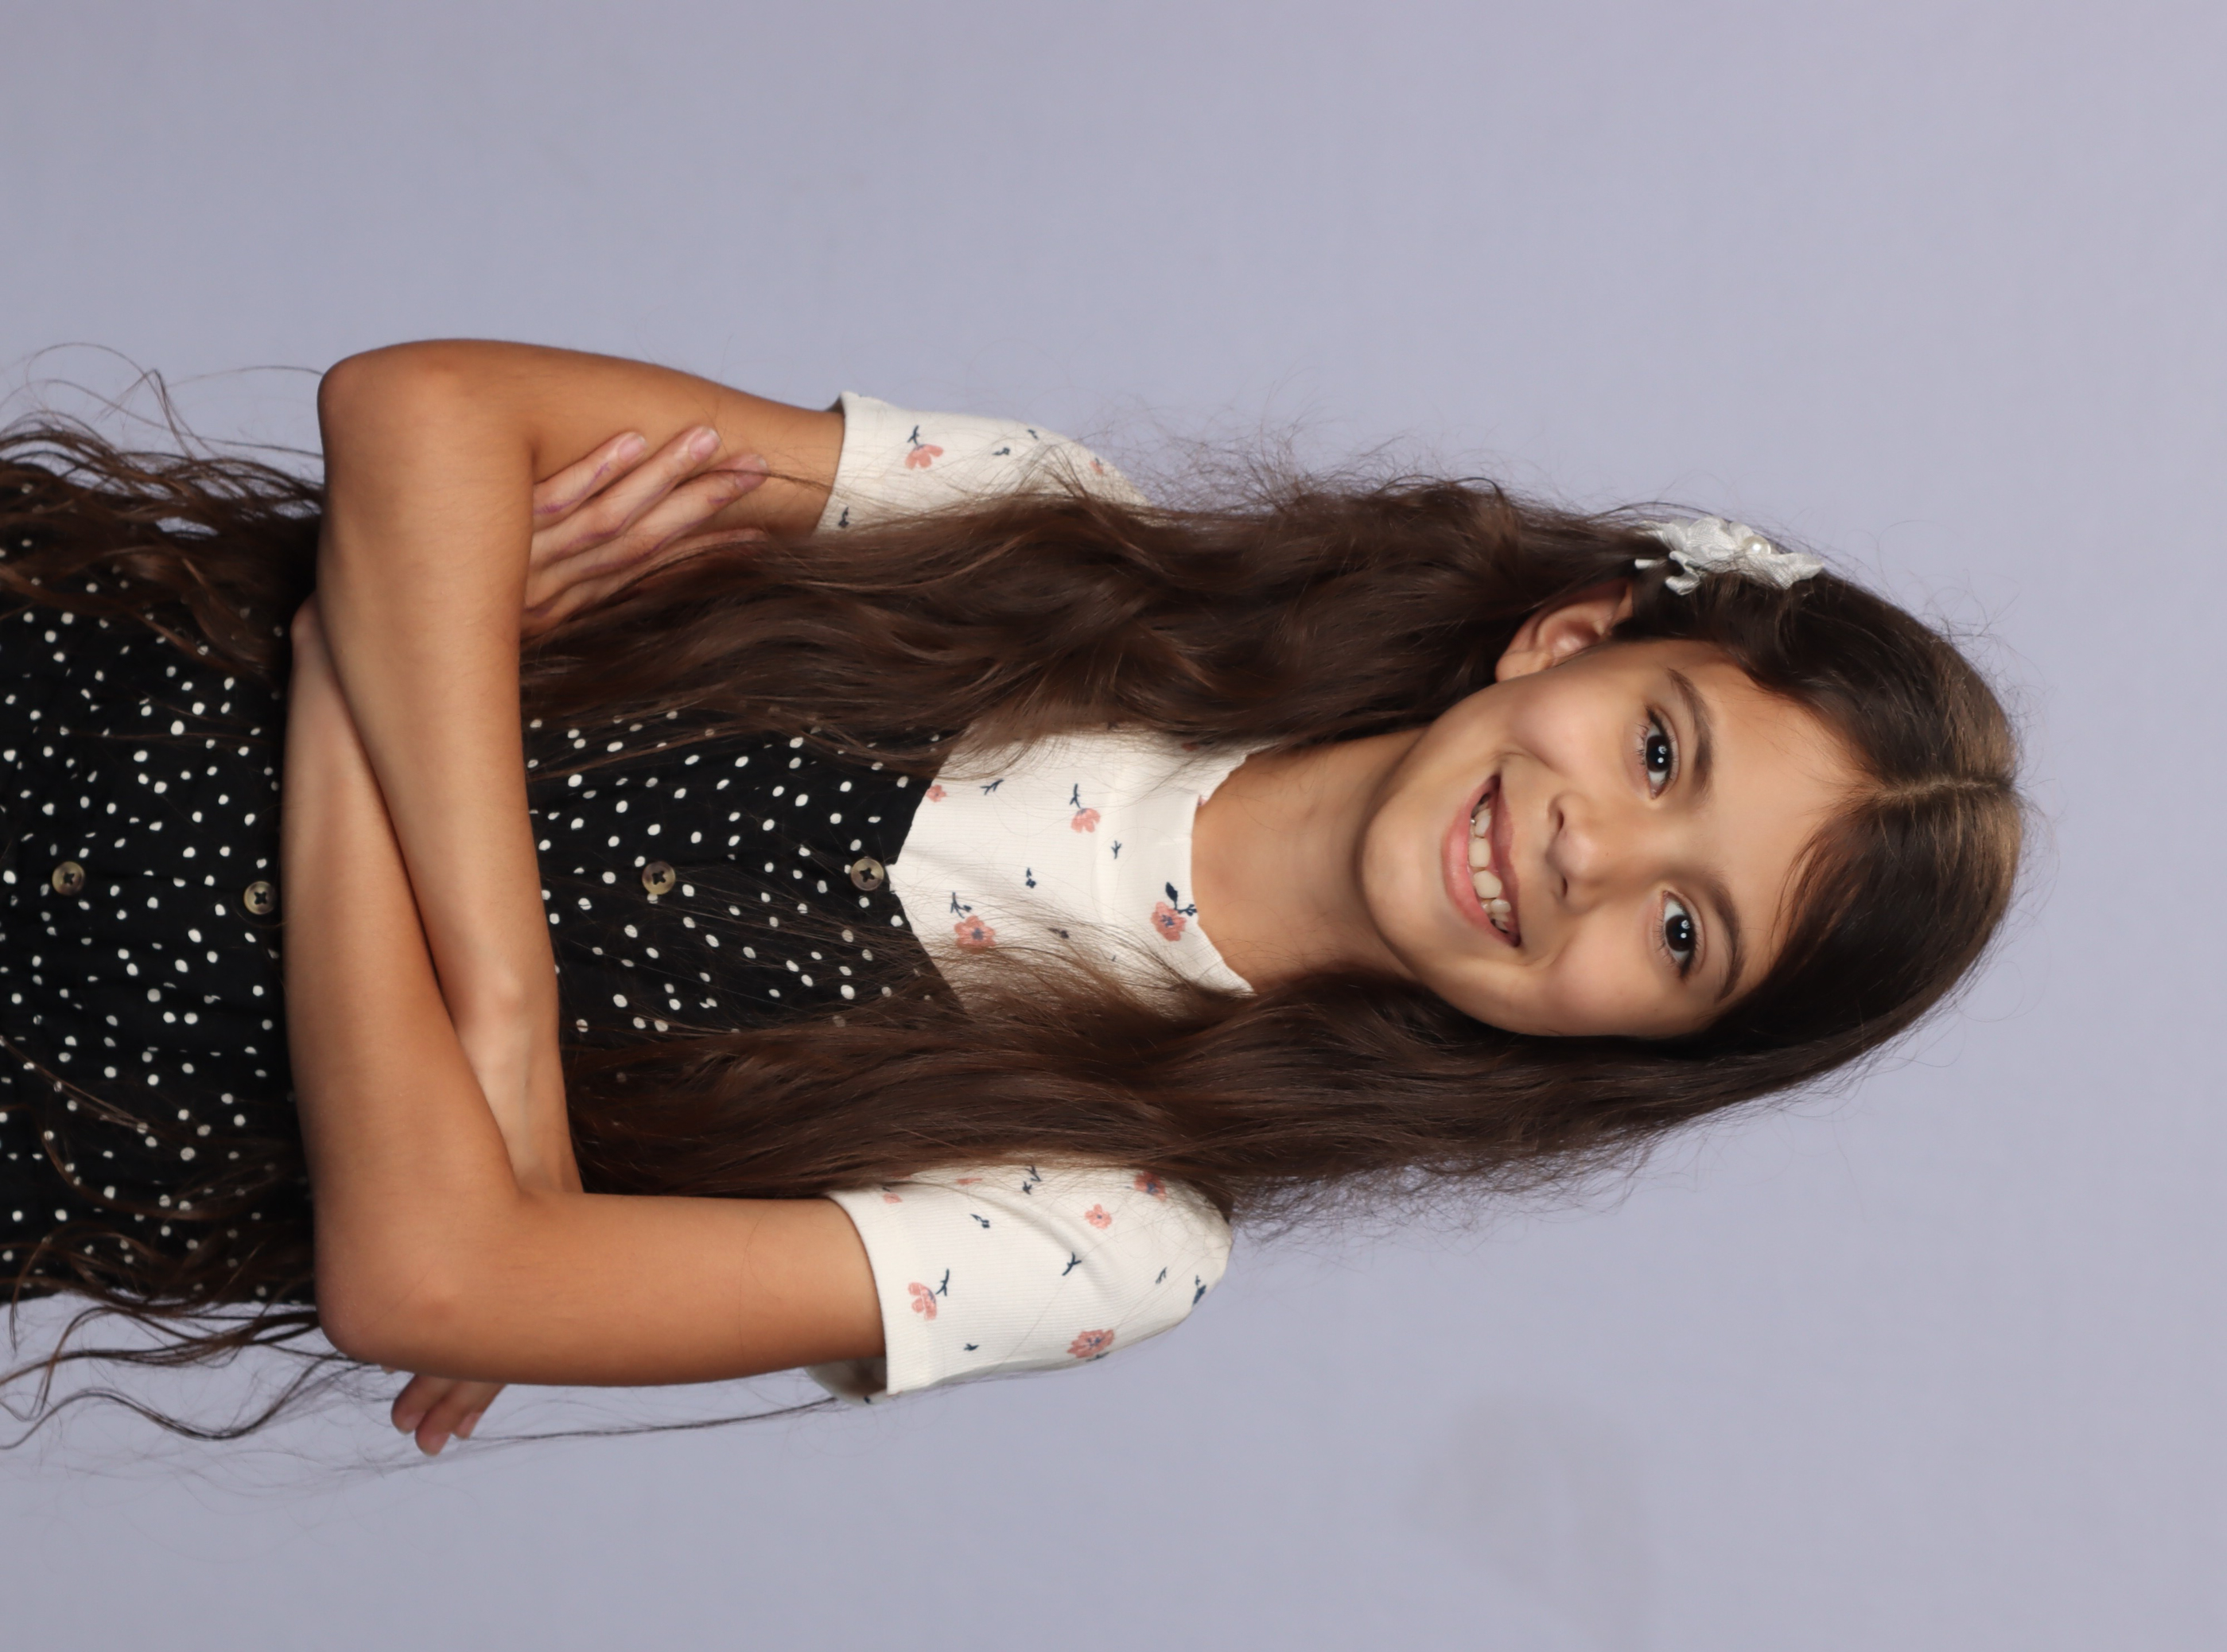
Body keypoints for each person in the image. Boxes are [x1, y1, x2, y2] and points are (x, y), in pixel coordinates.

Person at [0, 341, 2022, 1452]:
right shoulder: (1059, 544)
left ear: (1632, 1050)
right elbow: (420, 416)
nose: (1595, 854)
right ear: (1571, 635)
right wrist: (502, 1028)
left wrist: (361, 669)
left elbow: (428, 1284)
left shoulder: (1114, 1228)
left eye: (1681, 937)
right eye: (1660, 749)